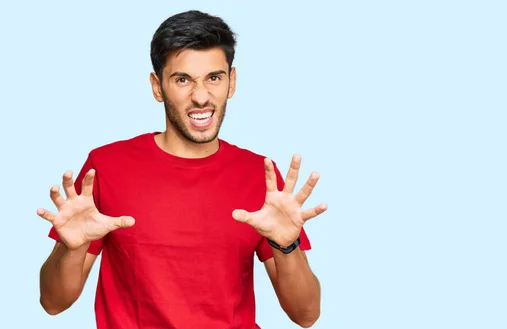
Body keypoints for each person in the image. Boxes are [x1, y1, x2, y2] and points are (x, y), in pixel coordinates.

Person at [37, 9, 327, 329]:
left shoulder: (262, 176)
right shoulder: (105, 167)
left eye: (214, 78)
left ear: (231, 82)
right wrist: (71, 248)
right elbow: (53, 303)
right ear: (157, 86)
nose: (201, 97)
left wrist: (286, 246)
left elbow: (307, 315)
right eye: (182, 80)